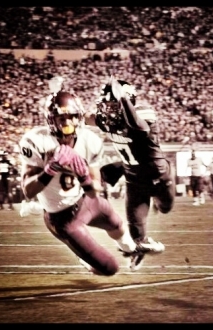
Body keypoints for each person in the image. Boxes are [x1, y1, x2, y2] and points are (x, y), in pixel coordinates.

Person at [18, 87, 146, 276]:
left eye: (72, 117)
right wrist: (50, 169)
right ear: (51, 120)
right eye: (61, 118)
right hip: (61, 217)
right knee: (109, 269)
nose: (67, 123)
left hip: (85, 201)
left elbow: (94, 190)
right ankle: (83, 258)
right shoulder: (36, 141)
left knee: (117, 224)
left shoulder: (90, 140)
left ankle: (132, 251)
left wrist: (83, 176)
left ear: (80, 117)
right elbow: (28, 191)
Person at [89, 76, 173, 270]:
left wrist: (124, 100)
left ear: (126, 101)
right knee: (136, 226)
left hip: (158, 174)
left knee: (165, 207)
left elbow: (139, 128)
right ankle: (139, 250)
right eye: (105, 105)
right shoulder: (108, 120)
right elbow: (83, 118)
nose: (107, 110)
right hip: (133, 176)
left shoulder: (144, 113)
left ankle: (158, 205)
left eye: (112, 104)